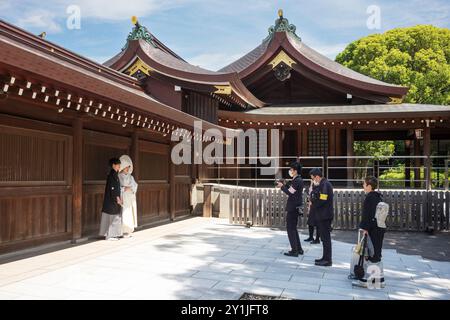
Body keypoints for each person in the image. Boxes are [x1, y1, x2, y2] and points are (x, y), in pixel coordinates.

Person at [277, 162, 304, 257]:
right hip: (295, 206)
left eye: (291, 170)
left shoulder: (297, 180)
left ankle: (294, 250)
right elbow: (292, 190)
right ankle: (299, 249)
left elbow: (290, 193)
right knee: (293, 228)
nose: (290, 171)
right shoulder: (297, 180)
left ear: (295, 171)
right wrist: (286, 184)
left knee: (290, 229)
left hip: (293, 207)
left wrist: (282, 187)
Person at [309, 168, 334, 266]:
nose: (313, 180)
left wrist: (314, 204)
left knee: (326, 238)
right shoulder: (322, 184)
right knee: (324, 238)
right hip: (322, 215)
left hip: (325, 215)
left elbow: (323, 199)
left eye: (313, 178)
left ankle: (328, 260)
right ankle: (325, 257)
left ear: (317, 176)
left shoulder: (325, 184)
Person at [360, 176, 385, 263]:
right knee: (377, 251)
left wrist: (365, 229)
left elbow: (367, 215)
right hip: (379, 226)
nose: (363, 185)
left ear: (369, 186)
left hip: (373, 228)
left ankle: (375, 274)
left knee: (373, 253)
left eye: (364, 184)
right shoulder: (378, 196)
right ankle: (378, 274)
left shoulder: (369, 198)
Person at [99, 158, 123, 241]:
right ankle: (109, 235)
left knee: (113, 216)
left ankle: (113, 234)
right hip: (111, 199)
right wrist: (117, 198)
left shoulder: (114, 174)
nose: (119, 166)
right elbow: (113, 188)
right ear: (113, 165)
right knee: (112, 216)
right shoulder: (112, 175)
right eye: (118, 164)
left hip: (112, 198)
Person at [119, 155, 138, 237]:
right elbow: (117, 187)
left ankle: (129, 229)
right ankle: (122, 230)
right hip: (123, 197)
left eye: (128, 167)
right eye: (126, 167)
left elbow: (135, 185)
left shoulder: (131, 177)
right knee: (123, 213)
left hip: (130, 197)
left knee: (129, 213)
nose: (127, 168)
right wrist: (123, 189)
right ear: (122, 167)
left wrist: (131, 188)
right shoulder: (119, 176)